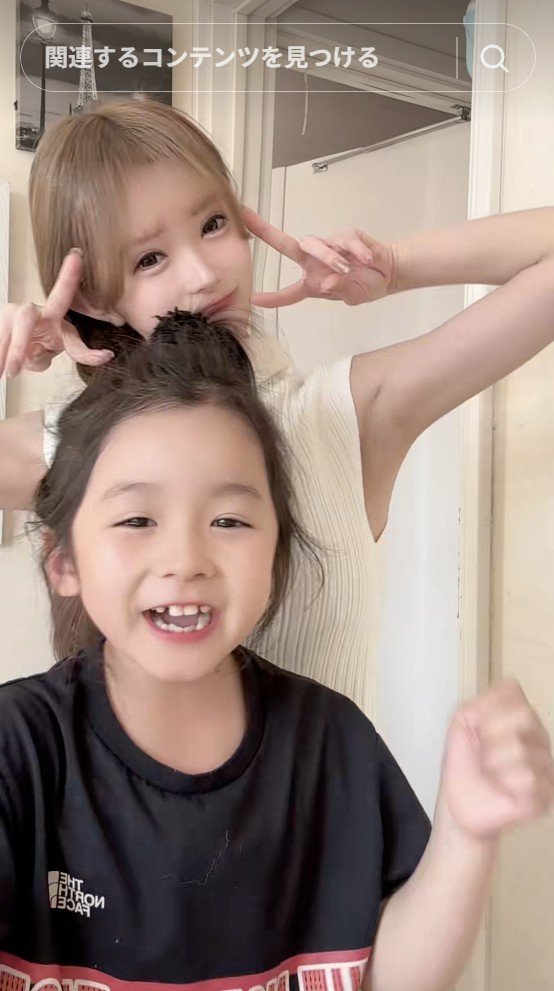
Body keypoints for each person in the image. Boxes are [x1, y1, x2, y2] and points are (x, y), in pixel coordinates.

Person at [1, 310, 551, 991]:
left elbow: (385, 976)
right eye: (137, 519)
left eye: (229, 520)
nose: (186, 558)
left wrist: (467, 834)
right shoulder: (19, 750)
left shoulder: (334, 744)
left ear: (275, 554)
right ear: (63, 560)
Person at [2, 99, 554, 715]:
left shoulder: (342, 417)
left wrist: (395, 268)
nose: (203, 274)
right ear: (94, 299)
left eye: (213, 224)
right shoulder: (68, 445)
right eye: (149, 258)